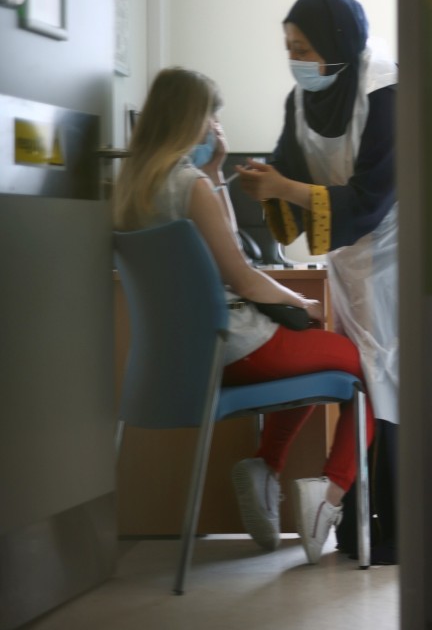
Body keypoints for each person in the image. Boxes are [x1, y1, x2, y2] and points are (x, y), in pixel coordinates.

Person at [111, 67, 376, 565]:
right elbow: (243, 277)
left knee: (317, 362)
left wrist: (215, 177)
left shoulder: (132, 188)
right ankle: (328, 499)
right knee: (369, 368)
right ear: (193, 119)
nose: (215, 125)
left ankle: (266, 468)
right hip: (235, 346)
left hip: (175, 364)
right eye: (211, 115)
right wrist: (303, 303)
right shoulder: (189, 185)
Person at [234, 0, 399, 563]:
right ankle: (334, 506)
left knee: (385, 384)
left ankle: (345, 509)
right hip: (349, 264)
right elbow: (286, 164)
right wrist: (268, 179)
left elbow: (373, 198)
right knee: (366, 380)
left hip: (400, 255)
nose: (296, 59)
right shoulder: (302, 99)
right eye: (289, 48)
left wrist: (281, 189)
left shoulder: (386, 90)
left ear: (336, 45)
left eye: (304, 48)